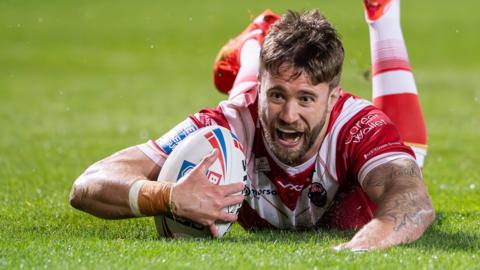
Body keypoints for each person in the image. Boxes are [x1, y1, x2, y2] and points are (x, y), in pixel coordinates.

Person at [70, 0, 435, 251]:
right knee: (244, 107)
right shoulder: (227, 123)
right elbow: (88, 185)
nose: (290, 114)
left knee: (411, 156)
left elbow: (413, 202)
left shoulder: (358, 126)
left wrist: (362, 247)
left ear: (333, 98)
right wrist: (166, 196)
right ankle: (253, 51)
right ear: (262, 88)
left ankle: (381, 23)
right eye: (277, 95)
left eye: (306, 99)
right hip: (247, 103)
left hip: (349, 124)